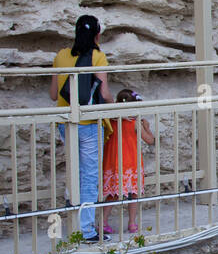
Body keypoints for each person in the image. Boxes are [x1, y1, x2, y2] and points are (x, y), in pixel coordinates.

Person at [50, 14, 111, 241]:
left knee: (74, 173)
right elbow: (103, 93)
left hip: (65, 123)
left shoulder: (61, 55)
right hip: (89, 122)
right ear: (97, 35)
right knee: (89, 176)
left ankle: (74, 223)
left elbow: (54, 94)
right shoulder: (98, 56)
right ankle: (86, 230)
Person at [102, 88, 155, 234]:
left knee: (113, 193)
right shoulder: (135, 123)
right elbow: (150, 140)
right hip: (132, 162)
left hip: (113, 162)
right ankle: (132, 224)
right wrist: (147, 128)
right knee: (134, 193)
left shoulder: (111, 121)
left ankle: (103, 222)